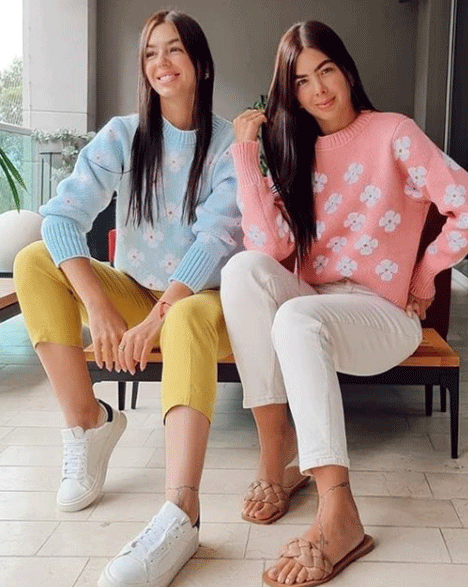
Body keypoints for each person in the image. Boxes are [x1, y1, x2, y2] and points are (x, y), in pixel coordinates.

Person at [220, 20, 468, 587]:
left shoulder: (394, 133)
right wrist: (247, 156)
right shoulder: (294, 151)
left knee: (297, 316)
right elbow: (270, 248)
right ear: (290, 93)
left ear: (347, 70)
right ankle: (276, 463)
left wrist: (426, 273)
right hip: (313, 303)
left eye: (326, 70)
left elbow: (465, 203)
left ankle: (339, 512)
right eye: (301, 81)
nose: (318, 89)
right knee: (243, 271)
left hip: (383, 315)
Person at [14, 9, 242, 587]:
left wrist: (158, 318)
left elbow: (215, 241)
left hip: (204, 303)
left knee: (184, 316)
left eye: (174, 50)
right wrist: (100, 306)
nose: (161, 63)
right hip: (135, 293)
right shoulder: (123, 135)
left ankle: (182, 512)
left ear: (201, 63)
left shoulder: (227, 148)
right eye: (150, 53)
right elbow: (60, 217)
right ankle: (89, 424)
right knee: (33, 260)